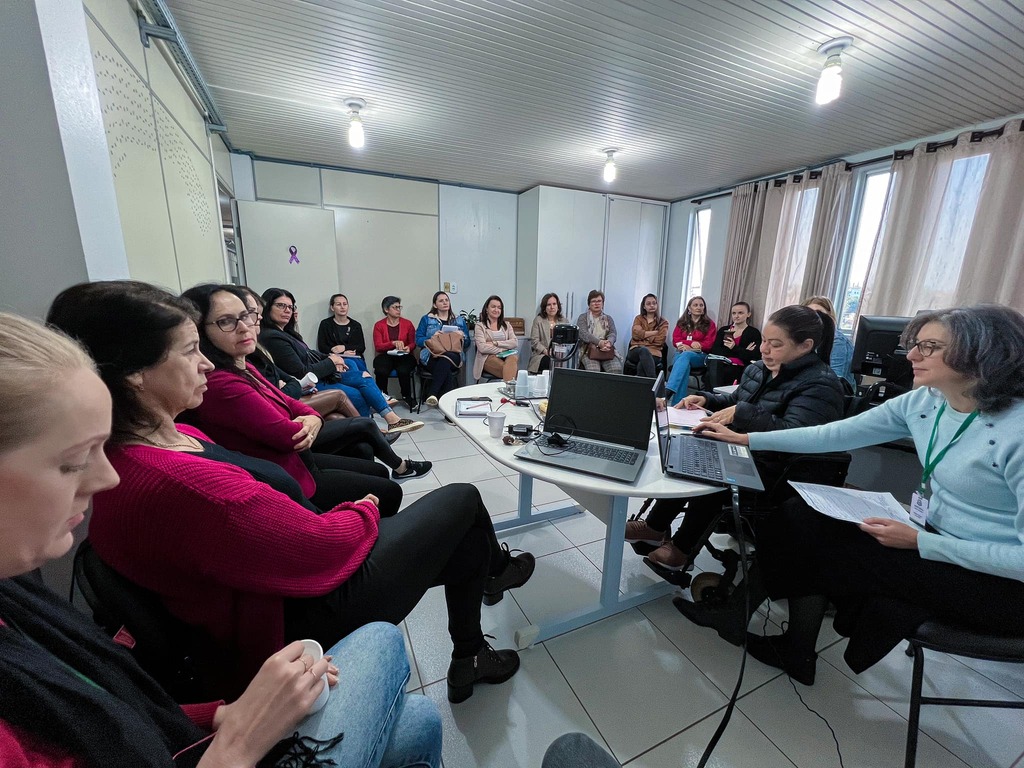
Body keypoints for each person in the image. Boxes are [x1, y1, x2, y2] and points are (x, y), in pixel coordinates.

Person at [47, 280, 536, 705]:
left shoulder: (159, 443)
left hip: (276, 580)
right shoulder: (182, 482)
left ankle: (472, 644)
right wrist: (361, 512)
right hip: (299, 611)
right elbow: (317, 547)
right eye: (190, 350)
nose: (205, 365)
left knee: (461, 542)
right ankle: (480, 616)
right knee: (463, 499)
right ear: (135, 372)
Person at [0, 310, 442, 768]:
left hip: (186, 718)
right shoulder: (182, 471)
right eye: (71, 461)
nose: (105, 477)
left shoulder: (19, 599)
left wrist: (214, 715)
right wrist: (240, 742)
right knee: (382, 641)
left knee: (421, 720)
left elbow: (105, 711)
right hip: (227, 722)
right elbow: (286, 462)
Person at [684, 305, 1024, 686]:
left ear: (983, 353)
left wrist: (922, 542)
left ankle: (789, 639)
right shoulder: (927, 402)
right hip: (936, 537)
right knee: (799, 516)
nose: (911, 355)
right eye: (914, 344)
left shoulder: (1018, 432)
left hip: (1000, 583)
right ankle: (772, 633)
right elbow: (834, 434)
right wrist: (747, 438)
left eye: (928, 347)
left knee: (826, 546)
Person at [626, 305, 845, 572]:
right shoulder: (760, 369)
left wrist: (741, 413)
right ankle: (655, 526)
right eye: (764, 340)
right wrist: (706, 399)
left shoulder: (819, 385)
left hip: (778, 469)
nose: (764, 349)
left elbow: (794, 435)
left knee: (713, 468)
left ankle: (683, 548)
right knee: (688, 449)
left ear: (805, 346)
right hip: (745, 449)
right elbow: (735, 400)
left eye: (775, 344)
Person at [183, 284, 429, 507]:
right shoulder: (227, 379)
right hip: (291, 471)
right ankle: (389, 431)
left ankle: (385, 426)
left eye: (249, 316)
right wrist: (308, 407)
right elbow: (289, 423)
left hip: (299, 452)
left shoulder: (246, 364)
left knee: (365, 433)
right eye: (227, 321)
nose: (246, 326)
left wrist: (310, 416)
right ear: (200, 330)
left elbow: (289, 392)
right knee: (357, 412)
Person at [260, 288, 422, 434]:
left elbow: (313, 353)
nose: (288, 311)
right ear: (268, 307)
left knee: (357, 370)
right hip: (308, 382)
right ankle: (380, 425)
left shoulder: (288, 333)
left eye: (290, 307)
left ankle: (387, 419)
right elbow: (303, 370)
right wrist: (332, 360)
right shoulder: (273, 337)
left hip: (325, 370)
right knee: (358, 388)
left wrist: (335, 358)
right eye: (281, 306)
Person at [415, 290, 470, 407]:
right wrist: (432, 337)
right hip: (432, 355)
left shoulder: (459, 320)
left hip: (454, 354)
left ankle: (432, 393)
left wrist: (462, 336)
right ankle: (448, 410)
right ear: (435, 305)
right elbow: (418, 340)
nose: (445, 303)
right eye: (441, 301)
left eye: (447, 300)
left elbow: (467, 343)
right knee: (446, 371)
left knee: (446, 358)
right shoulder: (426, 319)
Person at [664, 295, 717, 405]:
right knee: (685, 363)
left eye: (701, 305)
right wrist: (690, 344)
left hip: (700, 356)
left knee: (686, 356)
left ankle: (669, 391)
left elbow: (709, 344)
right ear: (689, 308)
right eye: (695, 305)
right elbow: (676, 340)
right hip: (681, 354)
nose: (699, 307)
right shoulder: (681, 322)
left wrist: (695, 346)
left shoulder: (710, 324)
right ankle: (677, 404)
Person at [702, 301, 762, 390]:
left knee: (714, 374)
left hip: (738, 366)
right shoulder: (723, 330)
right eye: (734, 313)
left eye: (740, 313)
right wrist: (741, 350)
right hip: (720, 363)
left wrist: (734, 347)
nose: (736, 316)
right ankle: (717, 397)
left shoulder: (753, 332)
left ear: (748, 314)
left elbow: (755, 356)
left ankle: (716, 398)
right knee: (713, 368)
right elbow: (715, 350)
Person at [372, 295, 417, 410]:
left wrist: (408, 348)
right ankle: (383, 397)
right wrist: (392, 343)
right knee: (381, 370)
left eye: (399, 307)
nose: (398, 310)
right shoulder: (379, 325)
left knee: (403, 370)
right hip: (385, 355)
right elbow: (378, 346)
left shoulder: (408, 323)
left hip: (404, 355)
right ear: (386, 310)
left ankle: (407, 396)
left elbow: (413, 343)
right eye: (395, 307)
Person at [802, 295, 855, 389]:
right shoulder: (804, 338)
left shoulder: (838, 342)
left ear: (829, 317)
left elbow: (835, 380)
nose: (814, 318)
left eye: (819, 313)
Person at [473, 294, 519, 382]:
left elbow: (515, 342)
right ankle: (510, 391)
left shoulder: (507, 325)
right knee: (512, 371)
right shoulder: (480, 326)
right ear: (486, 309)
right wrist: (502, 349)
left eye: (499, 307)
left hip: (506, 356)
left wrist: (496, 343)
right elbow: (482, 348)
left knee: (513, 358)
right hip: (487, 357)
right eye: (493, 307)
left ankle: (507, 390)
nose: (496, 310)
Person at [576, 290, 622, 373]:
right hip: (588, 350)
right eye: (593, 301)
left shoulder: (608, 318)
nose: (597, 303)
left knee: (616, 369)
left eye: (599, 301)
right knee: (593, 370)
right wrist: (599, 343)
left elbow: (613, 333)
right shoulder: (582, 318)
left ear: (603, 303)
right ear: (589, 304)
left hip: (606, 350)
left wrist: (609, 343)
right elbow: (583, 334)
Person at [624, 293, 668, 379]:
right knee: (644, 351)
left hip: (654, 353)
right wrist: (654, 333)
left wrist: (643, 336)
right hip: (636, 350)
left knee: (642, 365)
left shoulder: (663, 322)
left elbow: (661, 340)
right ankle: (654, 382)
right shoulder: (638, 319)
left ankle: (640, 391)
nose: (652, 305)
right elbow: (635, 335)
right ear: (644, 306)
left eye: (654, 303)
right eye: (648, 304)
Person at [317, 293, 367, 363]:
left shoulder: (356, 325)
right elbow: (322, 347)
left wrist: (344, 348)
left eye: (345, 304)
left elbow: (361, 347)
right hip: (334, 359)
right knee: (350, 364)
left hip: (355, 358)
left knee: (356, 365)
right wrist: (341, 354)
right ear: (332, 307)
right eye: (338, 304)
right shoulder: (325, 324)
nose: (342, 307)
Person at [528, 292, 566, 373]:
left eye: (554, 304)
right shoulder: (538, 320)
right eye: (549, 305)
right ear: (544, 308)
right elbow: (534, 341)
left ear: (558, 306)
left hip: (561, 354)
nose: (552, 307)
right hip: (542, 354)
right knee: (549, 361)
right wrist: (547, 351)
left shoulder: (564, 321)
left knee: (565, 363)